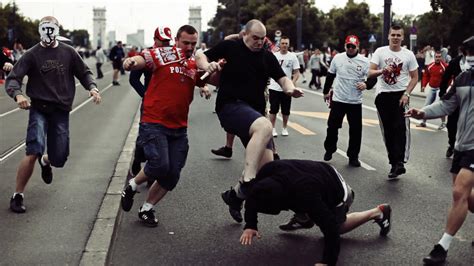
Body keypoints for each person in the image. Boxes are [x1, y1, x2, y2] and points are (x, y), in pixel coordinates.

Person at [195, 19, 303, 223]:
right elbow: (201, 55)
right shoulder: (230, 47)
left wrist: (289, 88)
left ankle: (234, 197)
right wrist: (206, 65)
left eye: (263, 39)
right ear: (244, 34)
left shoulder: (267, 57)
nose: (259, 42)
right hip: (230, 107)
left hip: (254, 114)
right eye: (255, 38)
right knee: (265, 125)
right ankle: (247, 178)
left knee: (269, 170)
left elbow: (282, 78)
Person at [5, 16, 101, 213]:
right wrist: (18, 95)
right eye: (44, 29)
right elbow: (14, 78)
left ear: (57, 30)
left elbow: (84, 72)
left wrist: (92, 87)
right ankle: (17, 195)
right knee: (33, 150)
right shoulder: (32, 54)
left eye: (51, 29)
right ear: (41, 30)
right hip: (39, 108)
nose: (48, 33)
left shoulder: (69, 53)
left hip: (60, 110)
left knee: (59, 158)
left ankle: (46, 161)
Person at [120, 25, 211, 227]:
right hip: (154, 121)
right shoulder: (161, 54)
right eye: (185, 42)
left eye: (193, 43)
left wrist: (205, 83)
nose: (189, 47)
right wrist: (131, 62)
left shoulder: (192, 63)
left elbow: (201, 78)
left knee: (172, 175)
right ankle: (132, 186)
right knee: (160, 165)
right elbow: (142, 60)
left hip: (179, 127)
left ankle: (147, 209)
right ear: (176, 41)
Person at [239, 159, 392, 266]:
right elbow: (253, 198)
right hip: (313, 175)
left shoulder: (305, 195)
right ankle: (305, 217)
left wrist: (327, 261)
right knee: (302, 203)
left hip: (337, 188)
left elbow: (331, 228)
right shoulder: (267, 172)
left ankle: (377, 212)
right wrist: (250, 225)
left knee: (338, 227)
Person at [406, 35, 474, 265]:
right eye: (467, 53)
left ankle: (442, 247)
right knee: (467, 197)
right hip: (462, 144)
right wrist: (422, 112)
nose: (469, 57)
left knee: (459, 192)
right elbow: (446, 103)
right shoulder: (463, 78)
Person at [368, 25, 418, 179]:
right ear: (388, 36)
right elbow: (370, 72)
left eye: (398, 35)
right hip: (383, 95)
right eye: (393, 35)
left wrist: (407, 94)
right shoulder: (380, 52)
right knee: (389, 131)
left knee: (401, 129)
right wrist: (382, 71)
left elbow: (415, 77)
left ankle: (400, 162)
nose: (396, 37)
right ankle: (393, 163)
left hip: (400, 96)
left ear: (402, 37)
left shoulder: (408, 55)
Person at [322, 35, 376, 167]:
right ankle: (330, 148)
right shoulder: (338, 58)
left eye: (353, 46)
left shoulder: (364, 61)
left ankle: (353, 156)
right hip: (339, 99)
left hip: (355, 101)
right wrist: (325, 91)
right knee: (332, 127)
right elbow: (330, 75)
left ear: (357, 47)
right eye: (348, 46)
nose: (350, 49)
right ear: (345, 46)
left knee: (356, 130)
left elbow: (373, 77)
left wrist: (366, 85)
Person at [128, 26, 173, 178]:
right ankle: (138, 159)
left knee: (164, 135)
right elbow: (133, 79)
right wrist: (145, 95)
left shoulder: (172, 55)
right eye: (163, 41)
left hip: (167, 103)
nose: (166, 45)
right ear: (155, 40)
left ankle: (153, 167)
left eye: (168, 41)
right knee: (145, 135)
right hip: (150, 103)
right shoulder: (146, 55)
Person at [439, 44, 470, 158]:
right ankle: (452, 144)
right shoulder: (455, 62)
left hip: (470, 99)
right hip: (456, 97)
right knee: (452, 123)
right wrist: (442, 93)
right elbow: (445, 77)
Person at [268, 36, 300, 137]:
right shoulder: (274, 55)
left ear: (288, 44)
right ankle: (272, 128)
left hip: (287, 89)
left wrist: (292, 83)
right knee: (273, 109)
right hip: (274, 87)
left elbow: (296, 72)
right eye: (283, 43)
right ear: (279, 44)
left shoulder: (292, 56)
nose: (284, 45)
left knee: (286, 110)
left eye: (286, 43)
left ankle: (284, 128)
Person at [417, 50, 447, 129]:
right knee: (426, 105)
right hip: (432, 88)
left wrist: (446, 87)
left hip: (440, 89)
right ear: (434, 57)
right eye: (436, 57)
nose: (438, 58)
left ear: (441, 57)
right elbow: (426, 76)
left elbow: (449, 77)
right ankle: (423, 122)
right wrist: (423, 85)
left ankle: (443, 123)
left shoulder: (445, 66)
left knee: (439, 106)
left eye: (439, 57)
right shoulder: (430, 66)